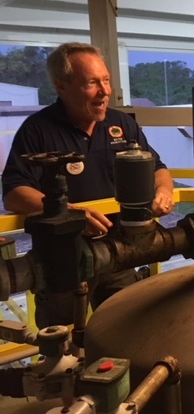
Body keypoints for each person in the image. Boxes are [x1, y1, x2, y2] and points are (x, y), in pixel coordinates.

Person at [2, 42, 174, 328]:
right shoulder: (37, 130)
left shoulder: (121, 124)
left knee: (129, 330)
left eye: (105, 80)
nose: (104, 91)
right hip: (62, 262)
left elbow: (157, 168)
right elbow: (14, 193)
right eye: (92, 83)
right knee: (63, 346)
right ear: (62, 86)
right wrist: (70, 215)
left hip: (120, 249)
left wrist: (164, 191)